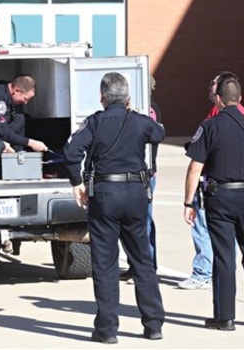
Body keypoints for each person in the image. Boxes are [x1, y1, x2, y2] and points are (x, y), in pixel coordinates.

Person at [63, 72, 165, 344]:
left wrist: (77, 183)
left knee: (106, 265)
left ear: (102, 97)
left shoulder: (95, 122)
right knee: (142, 260)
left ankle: (107, 330)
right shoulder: (140, 121)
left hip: (105, 196)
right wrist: (135, 114)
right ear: (128, 98)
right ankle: (153, 324)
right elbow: (160, 132)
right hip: (135, 195)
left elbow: (71, 152)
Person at [183, 73, 244, 330]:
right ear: (240, 98)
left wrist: (189, 203)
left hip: (219, 197)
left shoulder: (209, 127)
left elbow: (195, 168)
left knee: (224, 256)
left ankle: (225, 317)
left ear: (219, 99)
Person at [178, 72, 244, 290]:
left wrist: (188, 201)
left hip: (216, 182)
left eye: (213, 85)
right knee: (226, 233)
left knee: (202, 226)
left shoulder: (226, 115)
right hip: (233, 185)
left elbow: (197, 163)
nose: (210, 89)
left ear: (221, 93)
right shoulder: (230, 114)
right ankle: (217, 272)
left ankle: (203, 273)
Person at [120, 75, 161, 281]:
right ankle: (135, 265)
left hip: (145, 175)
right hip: (141, 175)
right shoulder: (142, 110)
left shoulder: (149, 111)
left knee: (143, 222)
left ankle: (147, 266)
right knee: (137, 222)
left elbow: (154, 134)